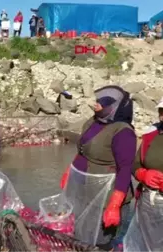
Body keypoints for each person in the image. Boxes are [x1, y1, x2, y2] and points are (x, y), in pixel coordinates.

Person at [59, 85, 136, 250]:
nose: (96, 104)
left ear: (113, 107)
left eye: (102, 102)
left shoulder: (123, 132)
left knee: (101, 241)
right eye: (97, 100)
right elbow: (82, 151)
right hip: (85, 187)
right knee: (80, 233)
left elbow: (125, 169)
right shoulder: (93, 121)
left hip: (108, 193)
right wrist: (69, 172)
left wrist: (114, 205)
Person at [125, 97, 163, 251]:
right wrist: (142, 174)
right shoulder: (151, 134)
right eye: (161, 111)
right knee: (147, 243)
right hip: (149, 201)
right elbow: (135, 164)